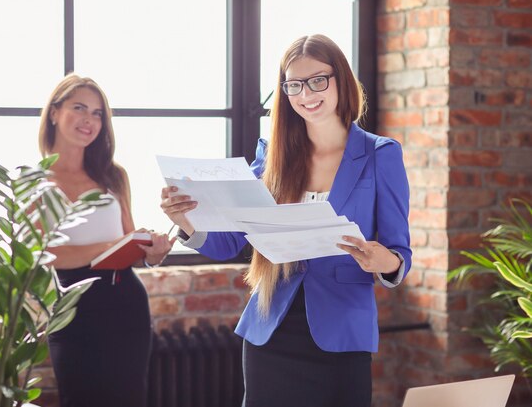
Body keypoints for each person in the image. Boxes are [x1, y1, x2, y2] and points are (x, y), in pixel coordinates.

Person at [160, 34, 411, 407]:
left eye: (317, 81)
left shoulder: (380, 155)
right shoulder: (272, 157)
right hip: (271, 330)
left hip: (342, 334)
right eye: (294, 84)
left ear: (341, 79)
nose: (306, 94)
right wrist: (188, 221)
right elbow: (231, 240)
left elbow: (399, 253)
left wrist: (382, 261)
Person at [40, 73, 175, 407]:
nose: (90, 120)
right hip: (72, 310)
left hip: (125, 304)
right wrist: (107, 247)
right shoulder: (35, 181)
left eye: (98, 113)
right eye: (79, 108)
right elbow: (46, 255)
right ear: (54, 113)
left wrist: (151, 252)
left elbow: (128, 247)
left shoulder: (113, 175)